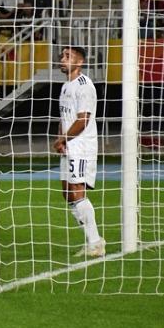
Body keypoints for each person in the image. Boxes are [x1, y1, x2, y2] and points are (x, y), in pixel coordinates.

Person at [52, 45, 105, 257]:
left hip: (82, 145)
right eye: (62, 55)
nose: (63, 59)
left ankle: (95, 243)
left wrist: (64, 138)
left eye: (68, 56)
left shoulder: (85, 85)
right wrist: (60, 139)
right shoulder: (66, 86)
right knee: (67, 193)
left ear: (80, 62)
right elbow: (65, 116)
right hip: (69, 145)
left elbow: (83, 120)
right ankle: (93, 240)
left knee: (76, 191)